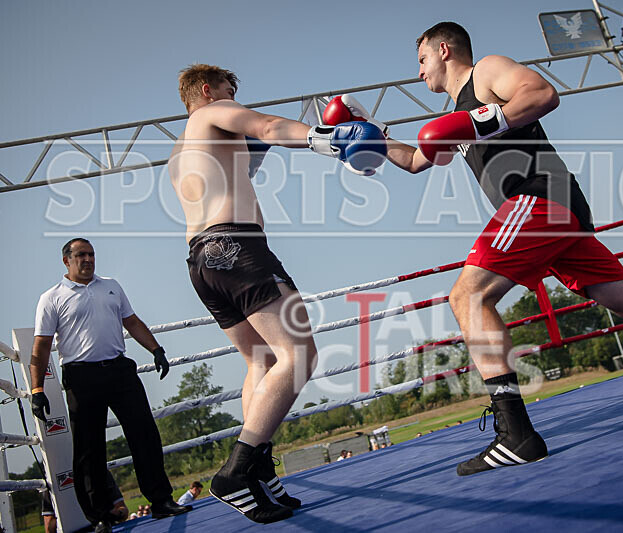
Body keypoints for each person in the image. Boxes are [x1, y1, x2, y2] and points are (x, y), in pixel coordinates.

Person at [323, 21, 623, 477]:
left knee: (467, 296)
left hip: (539, 198)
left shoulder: (486, 73)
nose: (419, 70)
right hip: (556, 210)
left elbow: (543, 93)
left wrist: (480, 118)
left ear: (444, 50)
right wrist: (370, 134)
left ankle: (516, 435)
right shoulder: (453, 118)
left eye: (422, 58)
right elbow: (416, 160)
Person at [168, 64, 385, 524]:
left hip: (201, 260)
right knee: (299, 354)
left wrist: (284, 141)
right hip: (238, 246)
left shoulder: (180, 151)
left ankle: (260, 473)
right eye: (229, 91)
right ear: (207, 91)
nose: (235, 99)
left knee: (260, 361)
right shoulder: (213, 112)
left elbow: (246, 161)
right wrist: (330, 139)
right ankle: (236, 471)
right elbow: (267, 126)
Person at [29, 238, 191, 532]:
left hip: (119, 370)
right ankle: (100, 516)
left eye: (91, 254)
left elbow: (132, 321)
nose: (88, 259)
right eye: (81, 255)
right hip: (81, 376)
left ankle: (161, 500)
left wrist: (156, 350)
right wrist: (37, 389)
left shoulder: (111, 286)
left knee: (145, 434)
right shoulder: (51, 297)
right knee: (89, 449)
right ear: (67, 260)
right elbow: (41, 346)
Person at [42, 472, 128, 533]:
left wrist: (112, 514)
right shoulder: (99, 469)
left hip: (102, 528)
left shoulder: (51, 477)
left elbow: (49, 526)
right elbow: (122, 510)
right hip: (103, 527)